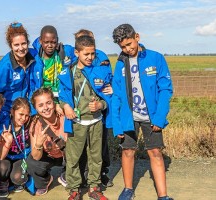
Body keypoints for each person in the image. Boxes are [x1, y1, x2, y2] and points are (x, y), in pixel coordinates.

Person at [111, 24, 173, 200]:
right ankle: (128, 189)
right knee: (128, 151)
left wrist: (160, 117)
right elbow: (116, 95)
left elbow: (165, 89)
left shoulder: (156, 58)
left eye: (129, 44)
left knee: (155, 153)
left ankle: (163, 195)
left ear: (137, 37)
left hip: (151, 117)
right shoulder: (120, 64)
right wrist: (117, 124)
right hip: (128, 118)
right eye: (123, 47)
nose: (127, 49)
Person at [58, 35, 113, 200]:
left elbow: (107, 97)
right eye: (86, 54)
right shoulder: (69, 72)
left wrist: (100, 106)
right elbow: (63, 94)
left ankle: (94, 187)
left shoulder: (99, 72)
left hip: (96, 122)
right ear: (76, 53)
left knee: (96, 157)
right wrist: (66, 106)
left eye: (92, 54)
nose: (90, 58)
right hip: (77, 123)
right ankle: (74, 189)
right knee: (73, 158)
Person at [0, 21, 43, 115]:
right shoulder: (4, 66)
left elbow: (45, 43)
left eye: (23, 43)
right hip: (8, 112)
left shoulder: (34, 57)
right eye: (16, 45)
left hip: (29, 111)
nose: (21, 48)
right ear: (11, 46)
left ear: (28, 43)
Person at [0, 98, 31, 198]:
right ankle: (3, 181)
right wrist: (8, 143)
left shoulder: (29, 124)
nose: (24, 118)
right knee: (2, 169)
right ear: (12, 111)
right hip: (5, 156)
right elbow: (1, 156)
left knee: (18, 178)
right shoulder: (4, 126)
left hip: (21, 157)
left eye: (27, 115)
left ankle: (14, 179)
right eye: (21, 114)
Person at [26, 87, 68, 196]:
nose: (45, 108)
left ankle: (67, 175)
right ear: (35, 108)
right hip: (50, 157)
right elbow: (35, 157)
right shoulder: (35, 125)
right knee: (31, 162)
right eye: (40, 105)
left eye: (48, 103)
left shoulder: (64, 116)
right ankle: (46, 179)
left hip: (67, 155)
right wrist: (39, 144)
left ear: (54, 103)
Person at [31, 25, 77, 114]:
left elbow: (83, 50)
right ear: (40, 41)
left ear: (57, 40)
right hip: (45, 103)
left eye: (53, 42)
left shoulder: (65, 51)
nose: (50, 45)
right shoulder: (35, 58)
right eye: (46, 42)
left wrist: (102, 59)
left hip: (63, 99)